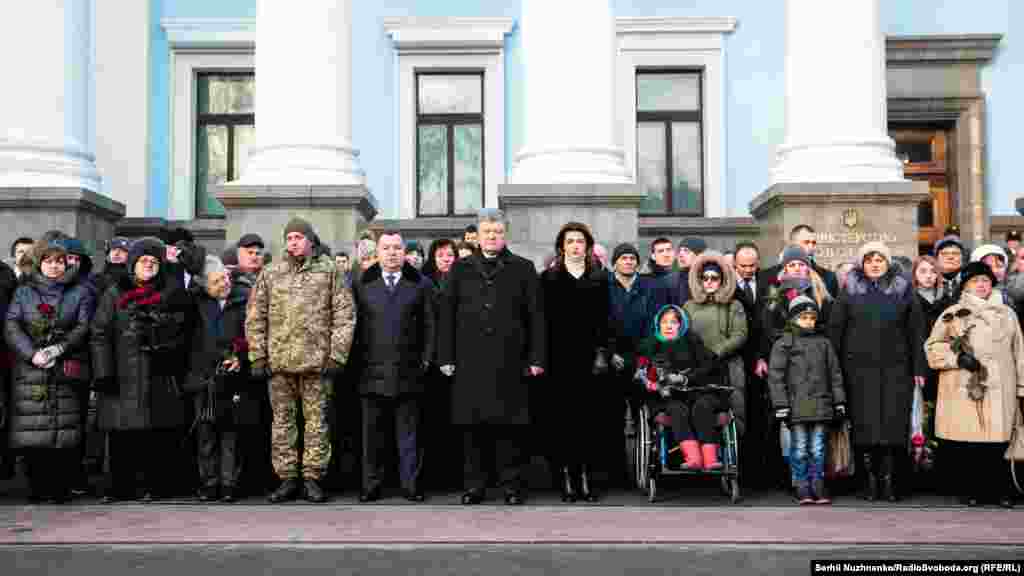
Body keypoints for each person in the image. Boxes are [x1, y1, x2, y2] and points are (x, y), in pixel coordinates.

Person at [438, 209, 544, 506]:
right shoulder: (461, 269)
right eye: (487, 232)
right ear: (478, 235)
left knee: (509, 429)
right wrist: (445, 356)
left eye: (497, 232)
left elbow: (536, 316)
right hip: (470, 360)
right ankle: (475, 486)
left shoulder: (523, 268)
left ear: (504, 234)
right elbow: (446, 314)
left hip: (510, 360)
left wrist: (536, 357)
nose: (492, 237)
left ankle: (511, 486)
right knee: (472, 429)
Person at [246, 218, 355, 504]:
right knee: (282, 423)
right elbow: (256, 316)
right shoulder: (271, 273)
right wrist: (257, 355)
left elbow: (344, 315)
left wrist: (337, 355)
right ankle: (287, 479)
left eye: (298, 237)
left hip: (317, 364)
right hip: (279, 364)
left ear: (310, 240)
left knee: (317, 423)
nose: (292, 242)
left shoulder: (330, 271)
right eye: (289, 237)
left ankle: (312, 478)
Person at [91, 237, 193, 503]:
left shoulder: (170, 292)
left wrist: (161, 338)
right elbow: (100, 333)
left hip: (157, 373)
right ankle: (118, 486)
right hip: (121, 376)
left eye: (154, 261)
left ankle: (152, 486)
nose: (148, 265)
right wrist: (104, 373)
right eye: (143, 261)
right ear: (132, 264)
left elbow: (182, 330)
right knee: (121, 436)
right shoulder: (115, 293)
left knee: (154, 436)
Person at [829, 241, 926, 502]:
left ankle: (890, 481)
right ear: (862, 263)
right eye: (869, 259)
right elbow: (836, 330)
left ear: (887, 263)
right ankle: (870, 482)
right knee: (865, 427)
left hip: (897, 368)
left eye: (879, 259)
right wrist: (835, 368)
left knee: (894, 426)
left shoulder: (903, 289)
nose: (874, 264)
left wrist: (919, 367)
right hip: (858, 370)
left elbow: (916, 331)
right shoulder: (849, 289)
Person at [926, 261, 1024, 509]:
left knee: (1000, 441)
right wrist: (956, 358)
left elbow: (1019, 351)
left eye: (985, 281)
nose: (981, 285)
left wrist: (1022, 386)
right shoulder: (952, 314)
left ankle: (1001, 490)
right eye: (975, 281)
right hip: (967, 385)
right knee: (972, 442)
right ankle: (974, 490)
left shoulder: (1007, 314)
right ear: (966, 285)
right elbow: (933, 347)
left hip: (1002, 384)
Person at [4, 240, 94, 503]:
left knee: (64, 427)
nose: (54, 267)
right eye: (48, 261)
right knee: (33, 427)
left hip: (64, 366)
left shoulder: (79, 291)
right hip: (30, 367)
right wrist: (32, 353)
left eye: (59, 262)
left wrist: (58, 349)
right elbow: (12, 324)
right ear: (40, 263)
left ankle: (60, 488)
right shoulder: (24, 292)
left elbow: (83, 325)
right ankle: (36, 487)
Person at [351, 231, 435, 503]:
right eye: (386, 248)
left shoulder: (420, 284)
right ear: (377, 252)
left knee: (409, 435)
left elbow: (429, 326)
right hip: (370, 371)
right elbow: (353, 328)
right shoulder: (362, 284)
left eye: (397, 248)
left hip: (408, 372)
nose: (392, 253)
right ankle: (370, 485)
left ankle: (411, 485)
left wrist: (425, 360)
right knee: (371, 437)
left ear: (404, 252)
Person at [540, 222, 609, 502]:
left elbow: (606, 321)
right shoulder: (548, 279)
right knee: (563, 422)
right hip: (559, 360)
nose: (575, 246)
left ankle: (586, 478)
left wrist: (603, 351)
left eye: (580, 241)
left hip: (590, 361)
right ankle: (566, 478)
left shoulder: (600, 279)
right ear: (562, 247)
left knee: (589, 422)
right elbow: (541, 322)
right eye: (570, 241)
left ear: (588, 246)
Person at [767, 295, 846, 505]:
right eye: (804, 317)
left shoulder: (824, 343)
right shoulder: (784, 343)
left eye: (812, 317)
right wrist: (781, 405)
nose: (809, 321)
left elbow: (835, 374)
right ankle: (802, 485)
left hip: (821, 405)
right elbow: (776, 376)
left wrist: (839, 402)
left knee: (818, 448)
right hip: (796, 407)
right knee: (800, 447)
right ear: (793, 319)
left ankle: (818, 484)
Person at [681, 251, 748, 468]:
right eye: (705, 278)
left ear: (723, 280)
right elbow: (682, 334)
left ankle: (731, 457)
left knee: (734, 411)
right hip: (697, 368)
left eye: (714, 278)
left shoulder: (733, 305)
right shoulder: (689, 307)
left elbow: (740, 335)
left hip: (726, 365)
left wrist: (717, 351)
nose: (709, 282)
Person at [606, 242, 663, 486]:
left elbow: (656, 323)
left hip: (643, 360)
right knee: (613, 419)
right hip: (615, 361)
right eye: (623, 258)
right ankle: (617, 472)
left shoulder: (649, 286)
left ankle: (647, 467)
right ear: (615, 262)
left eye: (632, 258)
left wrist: (647, 356)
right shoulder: (605, 285)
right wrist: (609, 353)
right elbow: (600, 321)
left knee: (645, 416)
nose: (628, 261)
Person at [634, 305, 715, 469]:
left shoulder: (693, 341)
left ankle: (710, 459)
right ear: (658, 324)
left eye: (673, 322)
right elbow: (641, 375)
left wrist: (685, 378)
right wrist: (654, 383)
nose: (669, 326)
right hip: (665, 398)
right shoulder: (650, 345)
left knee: (703, 406)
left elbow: (707, 367)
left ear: (681, 324)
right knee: (677, 409)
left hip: (694, 392)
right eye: (664, 322)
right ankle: (693, 458)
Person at [420, 238, 459, 490]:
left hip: (458, 362)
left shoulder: (464, 281)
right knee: (432, 421)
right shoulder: (425, 284)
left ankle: (454, 474)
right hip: (431, 363)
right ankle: (433, 475)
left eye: (450, 255)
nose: (446, 259)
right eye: (441, 255)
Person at [762, 225, 838, 299]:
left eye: (814, 243)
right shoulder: (769, 276)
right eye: (806, 242)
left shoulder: (828, 277)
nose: (811, 247)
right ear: (792, 244)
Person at [933, 234, 966, 310]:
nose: (950, 257)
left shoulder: (971, 282)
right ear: (936, 258)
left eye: (955, 253)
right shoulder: (928, 283)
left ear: (962, 258)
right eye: (944, 254)